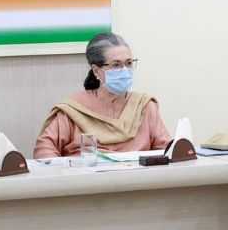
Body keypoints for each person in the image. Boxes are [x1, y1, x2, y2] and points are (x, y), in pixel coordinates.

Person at [34, 32, 170, 158]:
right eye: (116, 65)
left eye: (129, 63)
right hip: (87, 182)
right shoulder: (72, 110)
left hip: (138, 182)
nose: (124, 71)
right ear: (96, 71)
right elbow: (44, 151)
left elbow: (166, 151)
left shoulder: (144, 106)